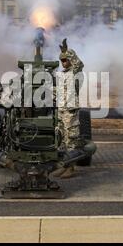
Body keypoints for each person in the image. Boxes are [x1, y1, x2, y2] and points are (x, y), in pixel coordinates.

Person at [53, 39, 84, 179]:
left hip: (70, 112)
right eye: (62, 61)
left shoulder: (75, 72)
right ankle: (64, 166)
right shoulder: (61, 74)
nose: (64, 63)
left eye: (66, 60)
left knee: (71, 140)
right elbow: (56, 92)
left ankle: (71, 168)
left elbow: (79, 63)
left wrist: (66, 51)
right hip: (61, 110)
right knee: (61, 140)